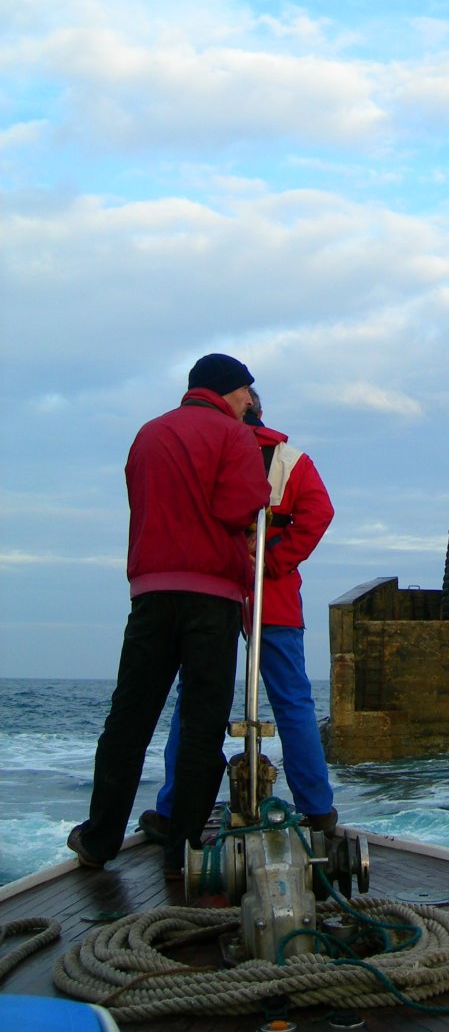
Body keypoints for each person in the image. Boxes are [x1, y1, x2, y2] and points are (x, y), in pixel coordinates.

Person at [67, 353, 271, 877]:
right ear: (228, 390)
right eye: (248, 391)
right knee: (202, 723)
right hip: (212, 596)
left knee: (129, 718)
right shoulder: (235, 437)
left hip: (151, 593)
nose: (251, 400)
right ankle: (185, 850)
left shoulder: (148, 433)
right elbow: (239, 509)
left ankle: (99, 838)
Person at [139, 388, 338, 839]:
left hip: (217, 590)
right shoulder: (291, 459)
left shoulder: (211, 451)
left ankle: (174, 810)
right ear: (261, 412)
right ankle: (318, 809)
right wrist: (273, 559)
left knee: (196, 701)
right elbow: (318, 513)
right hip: (274, 591)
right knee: (293, 701)